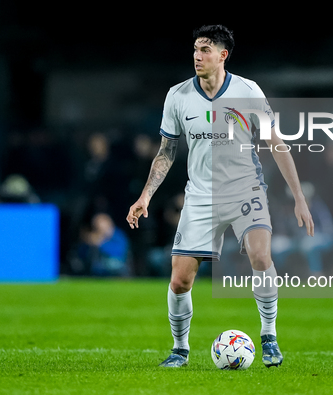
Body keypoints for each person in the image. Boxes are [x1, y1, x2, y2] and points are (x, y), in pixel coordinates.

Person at [126, 25, 314, 368]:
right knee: (180, 280)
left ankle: (269, 335)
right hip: (200, 197)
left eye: (206, 50)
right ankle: (180, 349)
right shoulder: (178, 95)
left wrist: (299, 196)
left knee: (260, 255)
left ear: (222, 55)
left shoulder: (247, 91)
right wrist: (145, 197)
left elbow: (276, 144)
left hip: (246, 189)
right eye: (196, 49)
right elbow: (166, 152)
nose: (198, 56)